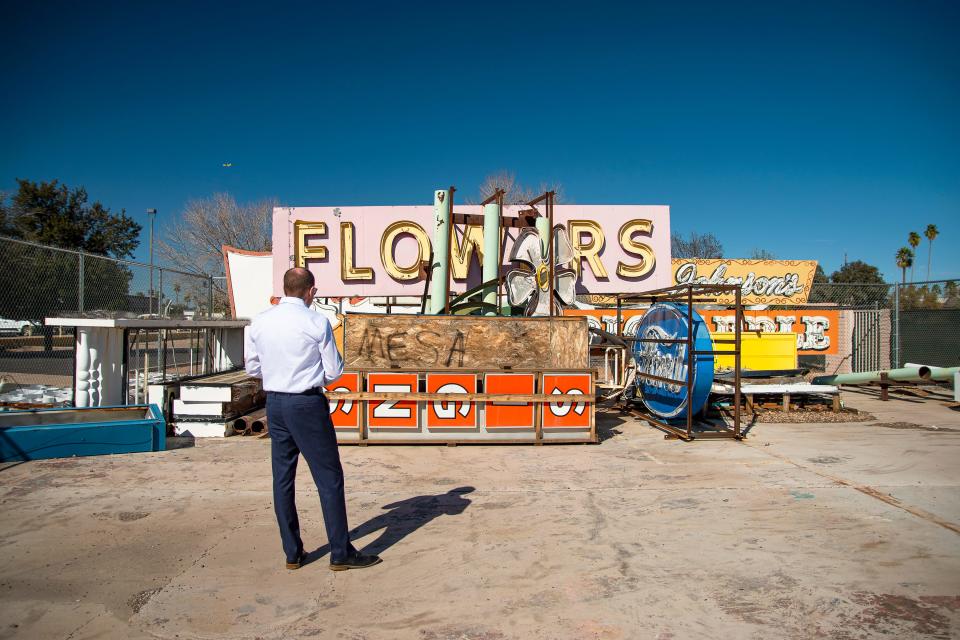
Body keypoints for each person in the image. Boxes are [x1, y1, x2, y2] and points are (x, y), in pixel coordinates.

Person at [245, 267, 381, 571]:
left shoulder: (260, 321)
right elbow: (334, 372)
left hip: (275, 404)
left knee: (282, 478)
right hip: (306, 403)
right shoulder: (316, 321)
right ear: (311, 292)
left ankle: (292, 552)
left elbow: (253, 368)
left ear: (284, 288)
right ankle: (339, 551)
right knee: (328, 477)